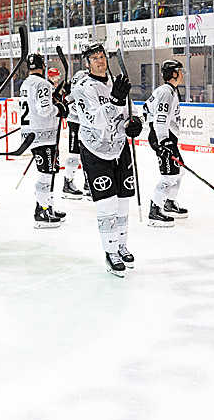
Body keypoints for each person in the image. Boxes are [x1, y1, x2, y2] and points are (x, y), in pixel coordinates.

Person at [71, 42, 141, 277]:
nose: (101, 61)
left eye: (102, 56)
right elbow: (95, 121)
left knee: (123, 202)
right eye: (95, 58)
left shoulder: (114, 83)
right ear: (87, 63)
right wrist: (115, 101)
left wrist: (135, 123)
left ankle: (121, 245)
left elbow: (130, 111)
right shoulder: (83, 88)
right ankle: (110, 252)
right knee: (106, 203)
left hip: (120, 148)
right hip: (95, 150)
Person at [19, 53, 68, 228]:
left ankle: (48, 207)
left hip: (33, 133)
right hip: (43, 134)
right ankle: (41, 211)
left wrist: (56, 98)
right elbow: (45, 110)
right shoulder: (43, 84)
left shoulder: (26, 83)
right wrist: (59, 109)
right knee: (46, 173)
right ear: (43, 66)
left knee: (50, 172)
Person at [142, 60, 188, 227]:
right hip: (163, 136)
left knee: (179, 170)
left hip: (165, 136)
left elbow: (147, 108)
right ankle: (155, 210)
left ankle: (169, 202)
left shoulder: (169, 90)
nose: (183, 74)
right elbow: (161, 117)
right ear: (173, 74)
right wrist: (163, 140)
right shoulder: (166, 92)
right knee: (170, 175)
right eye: (180, 71)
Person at [60, 69, 89, 200]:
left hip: (89, 123)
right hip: (76, 121)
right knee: (75, 154)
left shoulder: (99, 76)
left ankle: (89, 183)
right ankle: (68, 183)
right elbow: (72, 100)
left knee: (90, 153)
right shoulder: (81, 75)